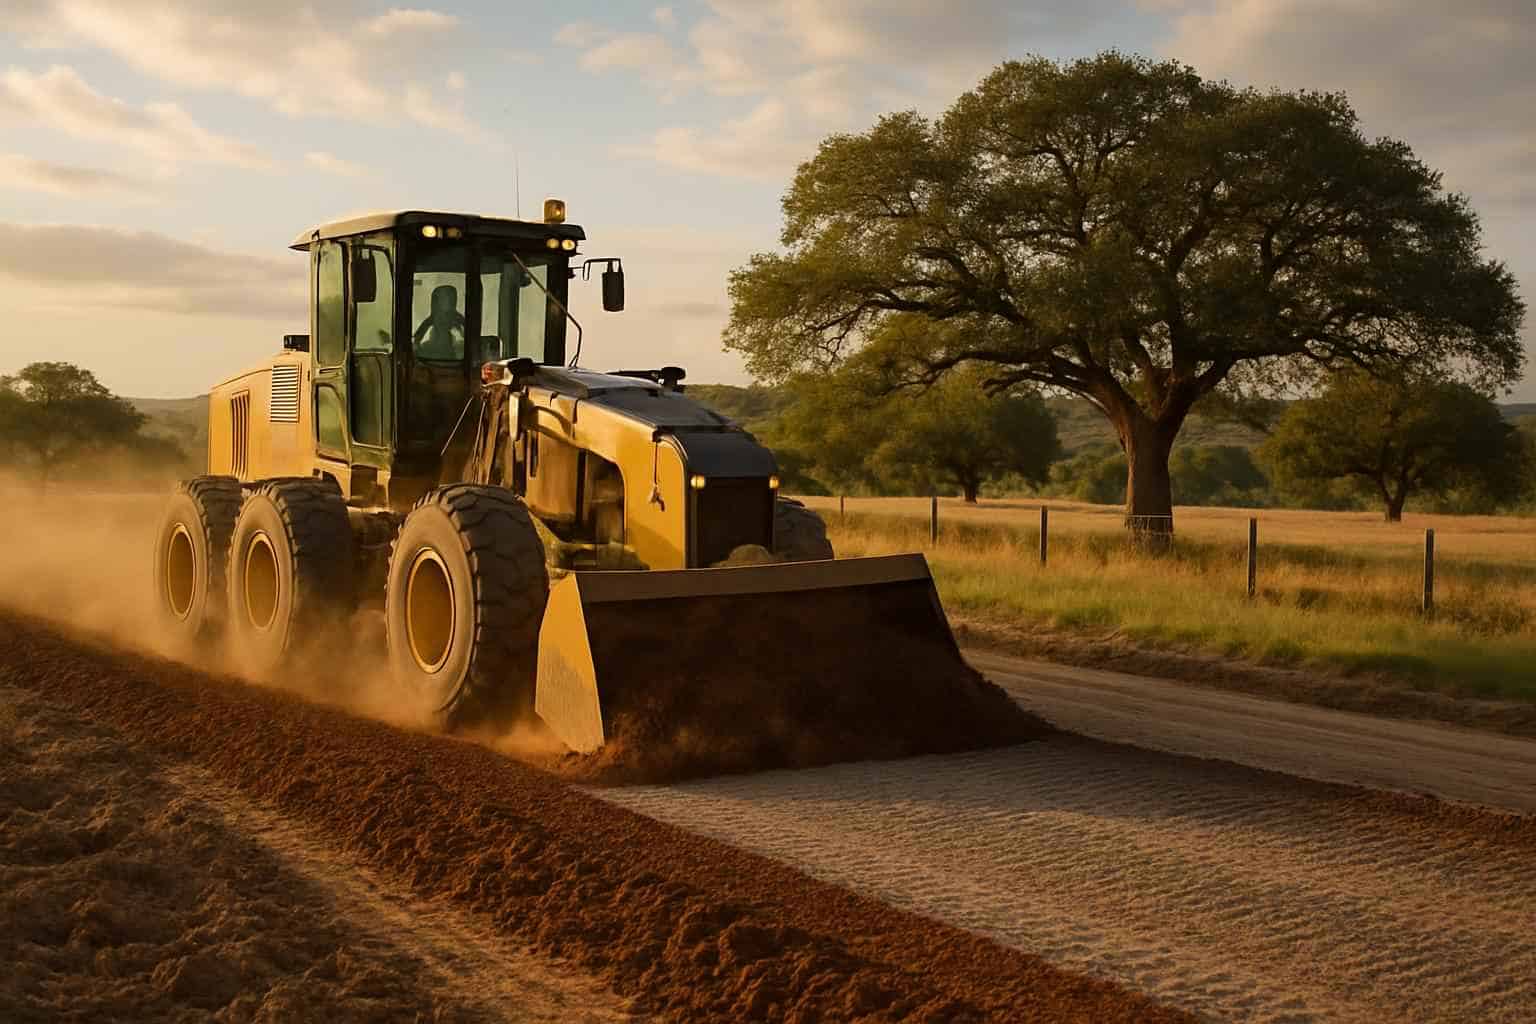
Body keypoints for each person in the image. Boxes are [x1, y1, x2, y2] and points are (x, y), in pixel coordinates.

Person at [413, 284, 465, 360]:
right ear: (437, 300)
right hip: (434, 351)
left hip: (450, 352)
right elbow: (418, 336)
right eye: (444, 298)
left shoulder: (457, 317)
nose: (449, 301)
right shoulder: (433, 317)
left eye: (451, 298)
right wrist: (416, 343)